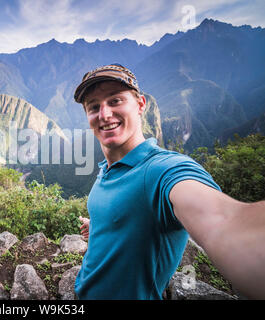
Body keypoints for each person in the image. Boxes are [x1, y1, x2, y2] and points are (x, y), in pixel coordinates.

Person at [73, 63, 265, 300]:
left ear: (141, 104)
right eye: (94, 107)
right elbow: (130, 214)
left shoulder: (163, 171)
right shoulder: (107, 169)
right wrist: (101, 226)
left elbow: (223, 218)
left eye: (115, 101)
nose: (104, 114)